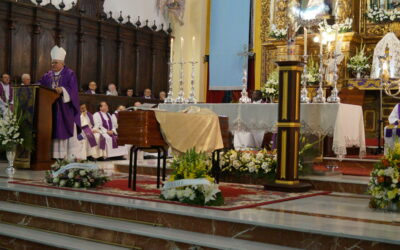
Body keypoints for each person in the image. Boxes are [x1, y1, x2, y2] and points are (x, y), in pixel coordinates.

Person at [38, 45, 81, 159]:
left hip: (64, 107)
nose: (53, 65)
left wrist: (63, 89)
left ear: (62, 63)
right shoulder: (47, 75)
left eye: (56, 63)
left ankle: (66, 155)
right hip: (49, 108)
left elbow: (73, 90)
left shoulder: (69, 73)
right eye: (52, 63)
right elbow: (40, 86)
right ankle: (52, 155)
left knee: (63, 128)